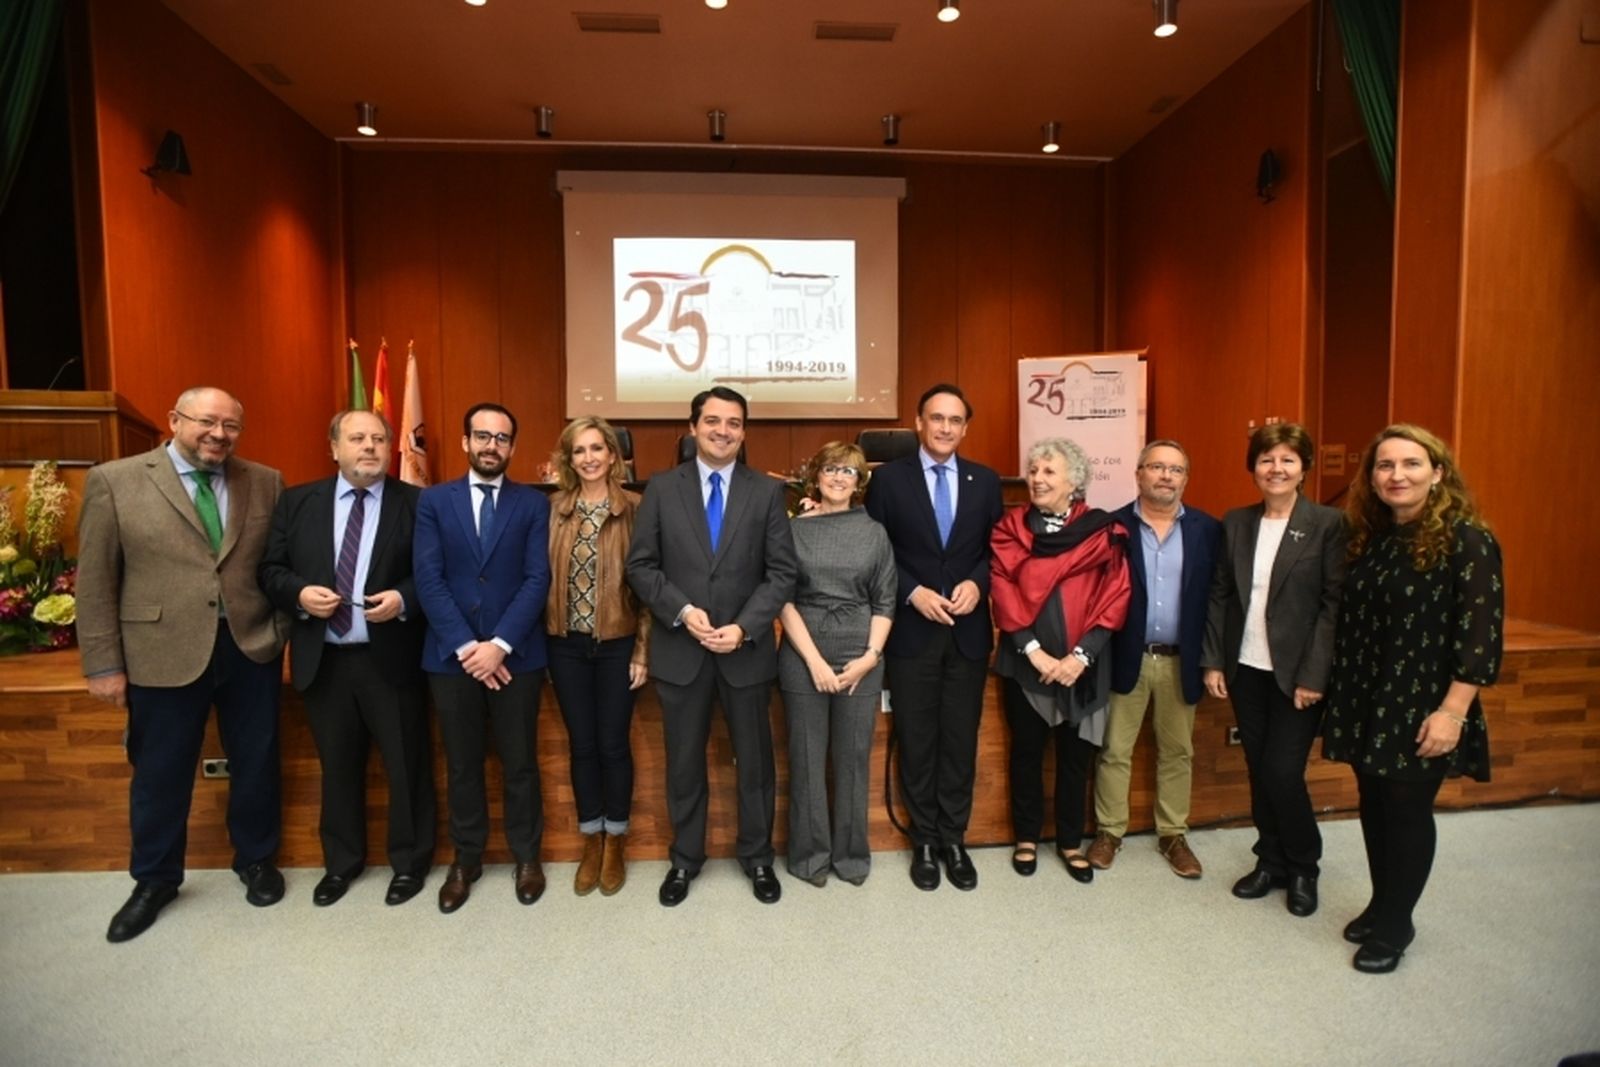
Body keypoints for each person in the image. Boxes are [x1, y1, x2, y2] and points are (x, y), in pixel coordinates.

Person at [76, 386, 289, 942]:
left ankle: (256, 860)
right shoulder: (115, 481)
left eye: (231, 426)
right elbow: (96, 580)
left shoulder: (265, 480)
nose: (219, 435)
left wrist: (282, 632)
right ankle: (155, 880)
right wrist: (103, 663)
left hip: (250, 645)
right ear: (175, 420)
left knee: (258, 761)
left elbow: (279, 564)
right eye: (206, 423)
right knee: (160, 772)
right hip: (160, 652)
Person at [1322, 424, 1502, 974]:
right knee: (1374, 805)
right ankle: (1383, 904)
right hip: (1367, 694)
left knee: (1406, 812)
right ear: (1371, 478)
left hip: (1423, 701)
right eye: (1384, 466)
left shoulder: (1467, 539)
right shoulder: (1371, 539)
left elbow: (1481, 635)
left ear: (1438, 473)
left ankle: (1398, 923)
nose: (1396, 475)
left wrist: (1453, 712)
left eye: (1411, 464)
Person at [625, 386, 798, 907]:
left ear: (744, 432)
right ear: (693, 427)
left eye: (735, 423)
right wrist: (681, 611)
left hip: (745, 653)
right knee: (683, 765)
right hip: (683, 651)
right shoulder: (660, 488)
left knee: (756, 765)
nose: (724, 430)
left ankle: (758, 858)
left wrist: (744, 627)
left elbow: (781, 573)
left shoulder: (767, 493)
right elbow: (641, 566)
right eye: (713, 421)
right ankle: (685, 860)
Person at [258, 409, 435, 908]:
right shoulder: (297, 503)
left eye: (379, 438)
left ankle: (410, 863)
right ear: (333, 446)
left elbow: (436, 573)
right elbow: (270, 570)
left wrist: (404, 600)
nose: (371, 447)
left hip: (392, 657)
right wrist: (297, 594)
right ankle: (341, 864)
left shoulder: (419, 503)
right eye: (357, 438)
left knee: (406, 766)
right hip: (325, 658)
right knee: (337, 768)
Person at [1202, 423, 1346, 917]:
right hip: (1247, 667)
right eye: (1267, 459)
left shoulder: (1327, 524)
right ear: (1254, 468)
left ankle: (1304, 865)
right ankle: (1271, 860)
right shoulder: (1237, 522)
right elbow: (1221, 594)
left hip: (1297, 675)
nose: (1276, 468)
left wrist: (1315, 675)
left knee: (1284, 772)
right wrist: (1214, 659)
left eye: (1287, 459)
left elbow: (1332, 606)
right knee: (1259, 770)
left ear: (1303, 468)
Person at [413, 403, 552, 913]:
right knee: (463, 765)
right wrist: (469, 647)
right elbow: (427, 577)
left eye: (502, 438)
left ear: (513, 447)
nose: (492, 445)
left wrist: (499, 645)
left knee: (520, 765)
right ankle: (466, 858)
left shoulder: (533, 504)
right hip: (452, 659)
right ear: (465, 442)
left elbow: (538, 578)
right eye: (482, 436)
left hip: (518, 656)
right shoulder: (433, 501)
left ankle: (526, 856)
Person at [864, 383, 1003, 891]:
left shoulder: (985, 481)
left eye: (955, 420)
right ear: (918, 423)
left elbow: (996, 550)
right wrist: (911, 591)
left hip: (967, 632)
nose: (945, 427)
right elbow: (876, 552)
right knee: (918, 740)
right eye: (936, 418)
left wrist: (977, 582)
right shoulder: (888, 481)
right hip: (911, 631)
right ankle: (923, 840)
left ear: (965, 427)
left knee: (959, 741)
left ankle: (954, 839)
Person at [990, 438, 1130, 883]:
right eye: (1033, 470)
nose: (1037, 479)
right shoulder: (1011, 528)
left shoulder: (1103, 531)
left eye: (1049, 471)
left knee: (1076, 758)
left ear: (1075, 481)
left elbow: (1117, 594)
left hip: (1084, 666)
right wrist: (1035, 652)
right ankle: (1026, 837)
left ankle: (1071, 842)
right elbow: (1003, 590)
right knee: (1027, 753)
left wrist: (1080, 656)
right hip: (1025, 663)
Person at [1088, 440, 1222, 879]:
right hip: (1126, 656)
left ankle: (1173, 835)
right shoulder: (1111, 527)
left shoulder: (1207, 530)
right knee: (1114, 751)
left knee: (1178, 752)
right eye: (1157, 467)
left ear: (1186, 478)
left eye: (1176, 470)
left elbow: (1216, 600)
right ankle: (1109, 833)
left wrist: (1212, 658)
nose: (1166, 476)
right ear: (1139, 473)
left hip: (1181, 660)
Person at [777, 441, 896, 887]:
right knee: (806, 761)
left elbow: (885, 600)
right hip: (803, 656)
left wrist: (868, 658)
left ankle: (850, 857)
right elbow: (782, 601)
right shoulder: (792, 530)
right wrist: (814, 662)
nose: (839, 477)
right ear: (816, 475)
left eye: (849, 471)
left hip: (861, 657)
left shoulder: (875, 533)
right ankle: (809, 858)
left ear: (860, 481)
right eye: (831, 468)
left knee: (852, 761)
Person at [545, 416, 650, 897]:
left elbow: (648, 586)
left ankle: (617, 838)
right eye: (578, 450)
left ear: (613, 454)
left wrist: (643, 649)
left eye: (596, 448)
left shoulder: (637, 509)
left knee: (612, 744)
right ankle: (592, 837)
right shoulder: (552, 510)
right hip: (564, 645)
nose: (588, 458)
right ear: (569, 459)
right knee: (581, 745)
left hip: (618, 644)